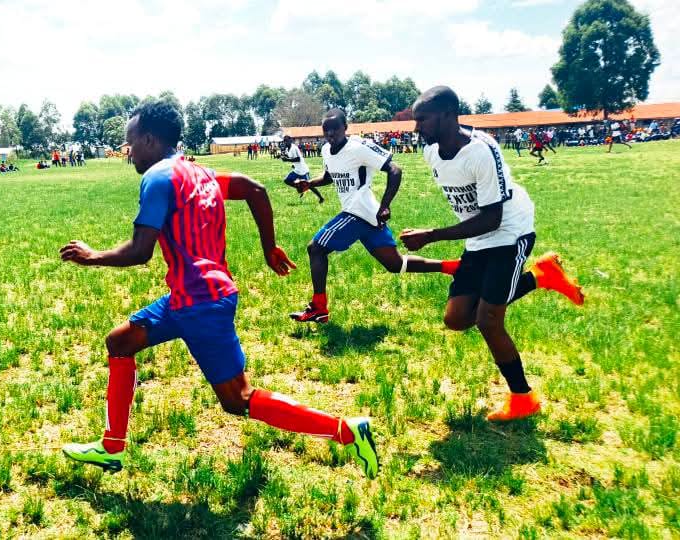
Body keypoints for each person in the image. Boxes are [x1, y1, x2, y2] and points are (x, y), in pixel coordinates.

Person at [59, 101, 379, 477]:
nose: (129, 153)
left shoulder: (158, 178)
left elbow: (140, 251)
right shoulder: (199, 173)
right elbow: (254, 189)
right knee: (120, 342)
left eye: (131, 144)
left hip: (201, 304)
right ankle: (112, 447)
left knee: (238, 400)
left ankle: (346, 431)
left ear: (148, 139)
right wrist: (268, 247)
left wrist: (92, 256)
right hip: (188, 298)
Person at [401, 86, 585, 422]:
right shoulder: (431, 153)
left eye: (423, 120)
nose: (417, 128)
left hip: (509, 231)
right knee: (456, 319)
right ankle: (542, 276)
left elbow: (492, 217)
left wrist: (431, 235)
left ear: (447, 115)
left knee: (488, 319)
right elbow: (474, 217)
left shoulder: (482, 150)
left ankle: (523, 398)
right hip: (478, 238)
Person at [288, 109, 460, 323]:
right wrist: (310, 183)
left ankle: (319, 308)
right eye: (326, 130)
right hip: (368, 216)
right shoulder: (325, 150)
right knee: (395, 265)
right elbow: (329, 176)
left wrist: (386, 205)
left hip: (359, 211)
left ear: (345, 128)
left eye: (335, 128)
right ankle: (454, 267)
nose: (330, 133)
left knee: (316, 248)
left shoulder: (358, 147)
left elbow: (395, 170)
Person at [281, 135, 323, 203]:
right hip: (297, 170)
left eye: (287, 140)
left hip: (303, 170)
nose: (285, 142)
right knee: (286, 180)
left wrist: (287, 160)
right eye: (284, 141)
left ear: (290, 140)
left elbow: (298, 159)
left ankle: (321, 198)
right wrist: (285, 158)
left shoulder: (294, 148)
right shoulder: (287, 149)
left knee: (310, 185)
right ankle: (300, 188)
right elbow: (292, 158)